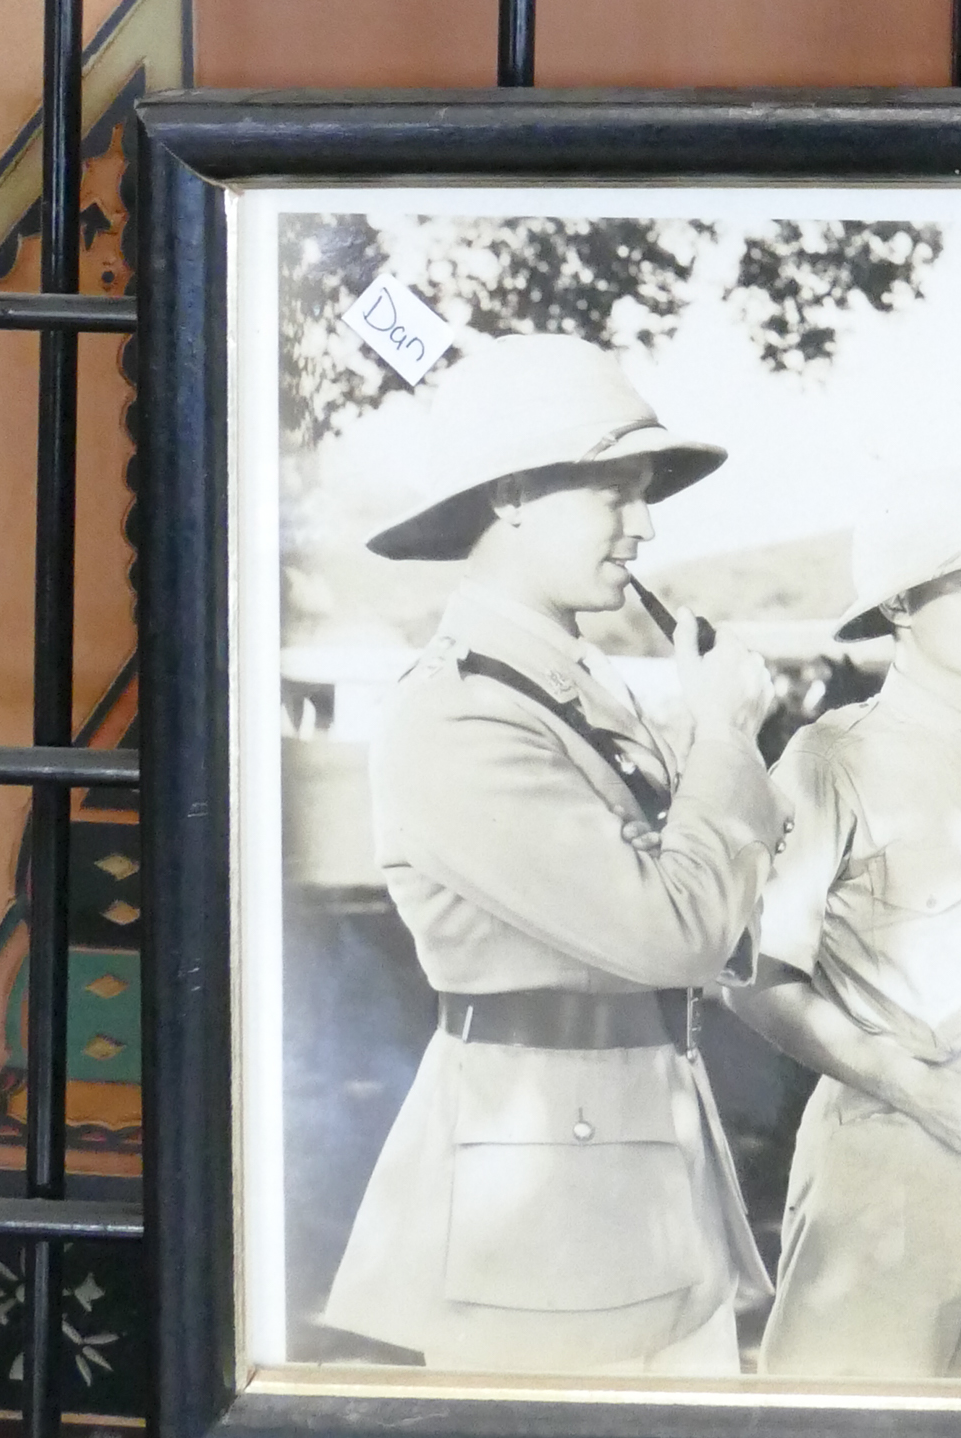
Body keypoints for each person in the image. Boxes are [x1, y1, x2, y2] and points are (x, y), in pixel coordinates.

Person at [320, 333, 788, 1376]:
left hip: (638, 1178)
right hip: (539, 1226)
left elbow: (715, 916)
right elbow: (674, 931)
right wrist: (723, 739)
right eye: (614, 490)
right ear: (515, 495)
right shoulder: (456, 716)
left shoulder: (575, 690)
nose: (646, 523)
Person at [725, 469, 961, 1379]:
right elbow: (750, 977)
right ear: (897, 606)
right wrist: (914, 1086)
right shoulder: (830, 757)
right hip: (885, 1173)